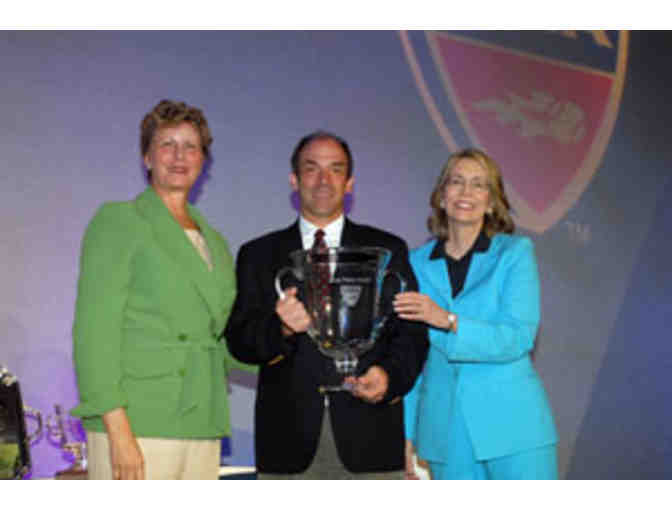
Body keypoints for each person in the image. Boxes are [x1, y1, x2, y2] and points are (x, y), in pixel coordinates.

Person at [224, 131, 428, 479]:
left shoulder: (387, 249)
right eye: (311, 168)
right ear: (294, 179)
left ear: (349, 183)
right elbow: (240, 342)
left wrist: (388, 377)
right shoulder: (258, 254)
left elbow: (411, 334)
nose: (323, 180)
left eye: (335, 169)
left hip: (371, 441)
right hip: (287, 445)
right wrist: (280, 327)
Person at [71, 99, 237, 480]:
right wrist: (118, 431)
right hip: (137, 421)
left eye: (190, 146)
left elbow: (223, 340)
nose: (179, 156)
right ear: (147, 157)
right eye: (167, 144)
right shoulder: (119, 221)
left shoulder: (216, 242)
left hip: (202, 420)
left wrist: (283, 338)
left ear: (203, 160)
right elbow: (94, 333)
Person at [396, 148, 558, 480]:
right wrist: (407, 433)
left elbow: (518, 338)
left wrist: (448, 321)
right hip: (443, 433)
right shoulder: (414, 263)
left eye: (479, 184)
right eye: (456, 181)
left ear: (492, 202)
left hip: (514, 426)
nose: (466, 192)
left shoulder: (514, 254)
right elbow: (410, 356)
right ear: (442, 196)